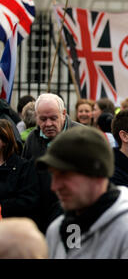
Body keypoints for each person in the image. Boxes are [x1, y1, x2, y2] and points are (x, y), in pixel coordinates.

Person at [37, 126, 128, 259]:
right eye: (53, 176)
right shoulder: (57, 229)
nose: (55, 186)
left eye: (65, 175)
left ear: (97, 174)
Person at [22, 93, 82, 233]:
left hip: (73, 217)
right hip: (40, 217)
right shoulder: (32, 139)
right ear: (36, 117)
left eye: (53, 118)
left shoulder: (82, 136)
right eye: (43, 119)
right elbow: (25, 176)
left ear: (63, 114)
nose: (48, 124)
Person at [0, 119, 39, 219]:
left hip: (11, 225)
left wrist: (2, 207)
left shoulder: (23, 167)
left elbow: (27, 200)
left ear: (4, 140)